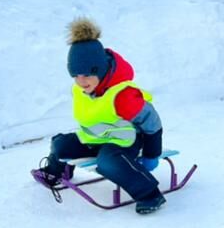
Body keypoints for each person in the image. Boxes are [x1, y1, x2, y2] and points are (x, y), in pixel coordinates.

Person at [36, 18, 167, 214]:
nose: (81, 81)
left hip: (127, 140)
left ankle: (149, 194)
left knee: (108, 163)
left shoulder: (122, 95)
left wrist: (151, 154)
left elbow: (152, 122)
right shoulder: (81, 89)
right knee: (60, 144)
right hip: (97, 138)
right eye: (76, 75)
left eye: (87, 74)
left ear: (101, 69)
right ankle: (58, 172)